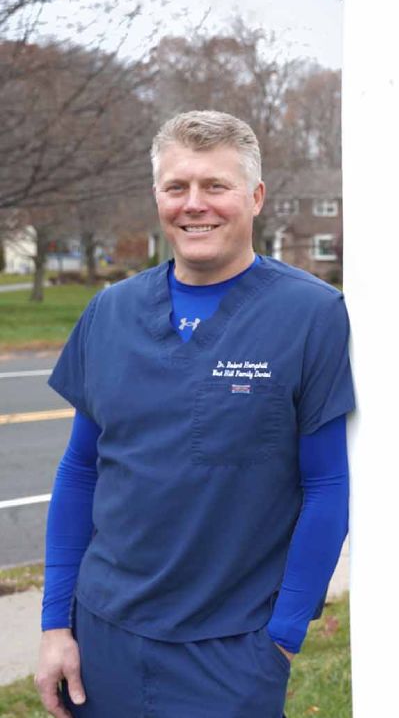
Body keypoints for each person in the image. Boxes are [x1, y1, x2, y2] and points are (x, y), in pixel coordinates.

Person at [34, 111, 354, 718]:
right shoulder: (111, 313)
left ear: (255, 197)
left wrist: (281, 639)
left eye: (216, 186)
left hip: (230, 652)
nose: (194, 205)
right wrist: (56, 625)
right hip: (103, 638)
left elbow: (327, 485)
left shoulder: (310, 315)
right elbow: (80, 471)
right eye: (176, 187)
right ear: (157, 196)